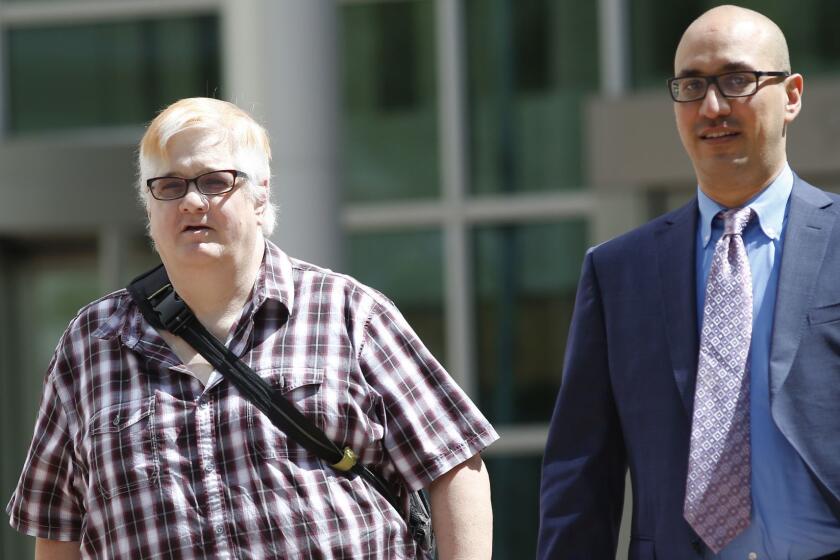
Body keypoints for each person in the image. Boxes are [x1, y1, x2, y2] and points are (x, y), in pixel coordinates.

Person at [7, 97, 498, 559]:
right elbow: (57, 526)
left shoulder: (349, 313)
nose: (192, 202)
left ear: (260, 196)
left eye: (215, 182)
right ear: (150, 207)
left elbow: (455, 467)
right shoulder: (92, 343)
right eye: (170, 186)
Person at [538, 5, 840, 559]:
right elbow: (581, 472)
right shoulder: (617, 272)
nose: (713, 107)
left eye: (736, 80)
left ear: (792, 95)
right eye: (692, 85)